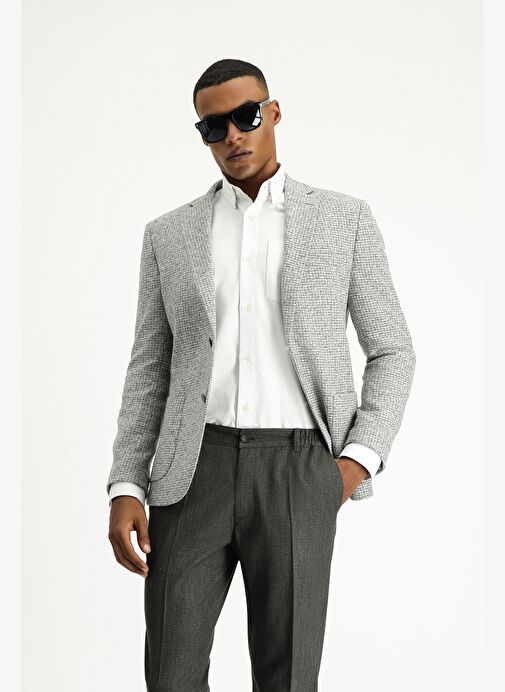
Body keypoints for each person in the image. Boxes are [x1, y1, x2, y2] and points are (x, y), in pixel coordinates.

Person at [107, 57, 416, 692]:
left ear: (273, 113)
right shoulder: (168, 235)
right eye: (213, 127)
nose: (233, 136)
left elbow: (393, 350)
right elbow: (149, 367)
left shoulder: (344, 219)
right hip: (191, 471)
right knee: (170, 674)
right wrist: (126, 484)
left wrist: (355, 462)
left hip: (300, 470)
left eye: (246, 117)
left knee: (288, 677)